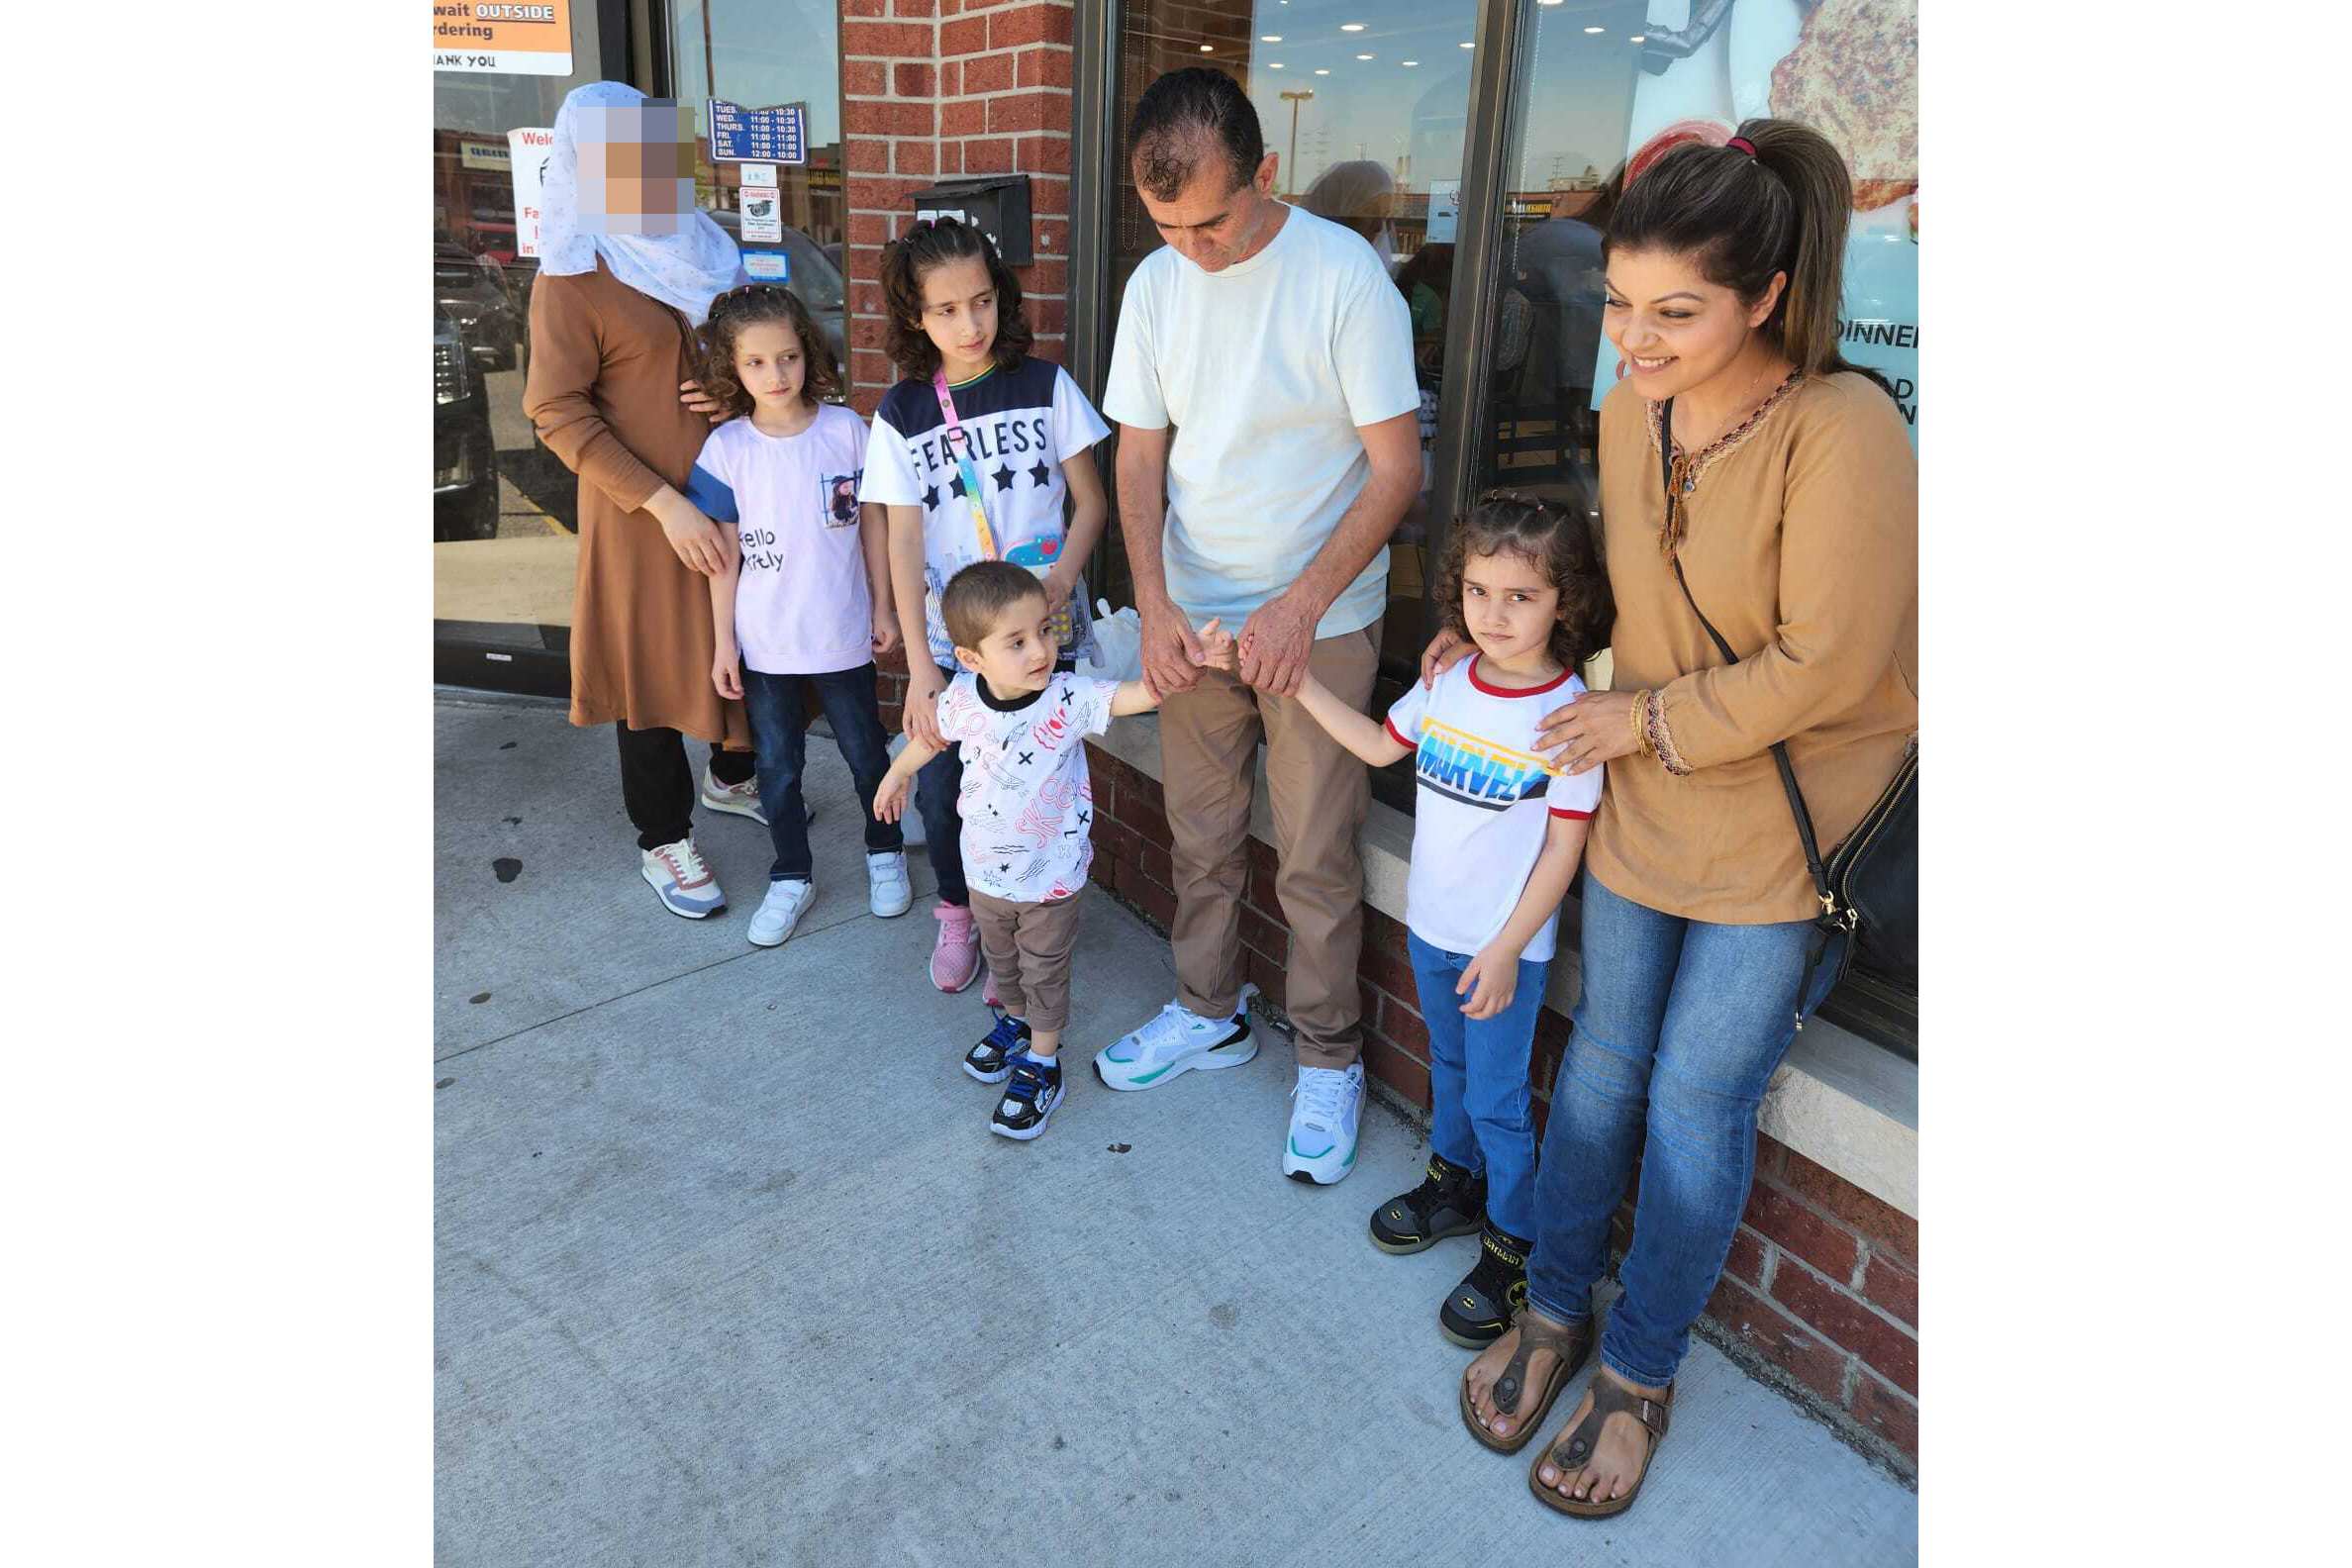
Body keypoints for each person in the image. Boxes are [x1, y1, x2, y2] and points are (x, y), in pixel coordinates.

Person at [1439, 120, 1917, 1520]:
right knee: (1598, 1074)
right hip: (1647, 815)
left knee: (1699, 1109)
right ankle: (1557, 1301)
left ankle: (1640, 1370)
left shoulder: (1847, 430)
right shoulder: (1630, 408)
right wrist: (1492, 666)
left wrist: (1639, 723)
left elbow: (1829, 663)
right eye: (1620, 305)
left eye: (1675, 314)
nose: (1634, 339)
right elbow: (1623, 615)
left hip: (1781, 833)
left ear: (1765, 297)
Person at [1092, 67, 1421, 1187]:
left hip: (1316, 618)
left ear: (1266, 173)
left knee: (1319, 855)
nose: (1195, 248)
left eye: (1214, 221)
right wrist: (1153, 603)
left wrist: (1300, 605)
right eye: (1169, 226)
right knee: (1201, 831)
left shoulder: (1343, 278)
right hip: (1193, 610)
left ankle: (1329, 1057)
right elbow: (1138, 454)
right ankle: (1208, 1011)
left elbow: (1396, 469)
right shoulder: (1155, 285)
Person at [1278, 493, 1610, 1347]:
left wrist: (1506, 950)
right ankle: (1453, 1183)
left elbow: (1561, 856)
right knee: (1451, 1068)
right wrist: (1299, 680)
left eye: (1520, 596)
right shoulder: (1448, 680)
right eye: (1476, 591)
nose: (1493, 614)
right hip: (1433, 929)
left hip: (1506, 950)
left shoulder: (1566, 717)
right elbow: (1381, 746)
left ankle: (1513, 1247)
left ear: (1564, 602)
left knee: (1501, 1101)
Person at [872, 562, 1229, 1141]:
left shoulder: (1066, 697)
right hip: (985, 873)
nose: (1040, 649)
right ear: (972, 659)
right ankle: (1015, 1023)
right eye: (1016, 642)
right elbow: (929, 738)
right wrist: (896, 775)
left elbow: (1135, 694)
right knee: (1004, 963)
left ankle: (1043, 1061)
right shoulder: (964, 699)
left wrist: (1187, 666)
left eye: (1044, 630)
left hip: (1050, 879)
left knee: (1043, 971)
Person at [523, 82, 763, 920]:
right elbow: (554, 411)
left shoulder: (706, 249)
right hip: (643, 518)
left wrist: (739, 396)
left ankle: (733, 778)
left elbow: (761, 353)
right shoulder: (573, 273)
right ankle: (663, 835)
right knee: (652, 671)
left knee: (752, 646)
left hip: (737, 495)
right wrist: (664, 505)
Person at [857, 218, 1113, 998]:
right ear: (915, 317)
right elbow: (903, 541)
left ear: (1002, 296)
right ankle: (962, 911)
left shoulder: (1044, 384)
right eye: (945, 310)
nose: (969, 326)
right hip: (954, 637)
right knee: (943, 783)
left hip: (1041, 627)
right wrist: (922, 668)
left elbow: (1092, 503)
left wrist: (1065, 576)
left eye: (981, 302)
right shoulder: (900, 413)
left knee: (1041, 777)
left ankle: (1034, 916)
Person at [686, 283, 912, 948]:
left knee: (867, 753)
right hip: (765, 643)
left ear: (808, 354)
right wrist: (724, 643)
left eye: (786, 358)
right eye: (755, 363)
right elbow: (722, 556)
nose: (775, 375)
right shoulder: (727, 449)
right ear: (734, 368)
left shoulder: (847, 432)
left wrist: (885, 605)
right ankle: (791, 874)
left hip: (842, 633)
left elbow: (873, 524)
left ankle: (884, 850)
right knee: (778, 767)